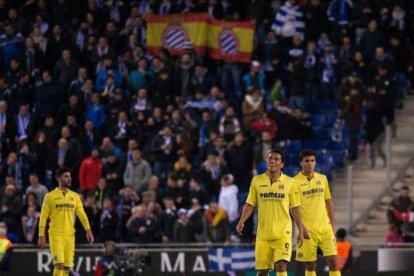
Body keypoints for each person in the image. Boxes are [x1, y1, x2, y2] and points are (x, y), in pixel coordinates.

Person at [236, 149, 305, 276]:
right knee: (262, 272)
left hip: (283, 232)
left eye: (276, 159)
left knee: (281, 265)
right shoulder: (257, 180)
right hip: (263, 233)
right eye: (269, 158)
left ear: (282, 164)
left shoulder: (290, 182)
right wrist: (241, 220)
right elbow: (250, 203)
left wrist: (301, 230)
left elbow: (295, 207)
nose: (272, 161)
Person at [38, 168, 94, 276]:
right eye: (66, 176)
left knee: (67, 267)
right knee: (59, 264)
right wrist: (41, 235)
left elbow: (82, 215)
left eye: (70, 176)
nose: (69, 179)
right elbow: (43, 217)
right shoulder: (50, 196)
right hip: (56, 234)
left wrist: (88, 230)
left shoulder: (75, 196)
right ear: (59, 178)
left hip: (70, 235)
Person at [294, 150, 340, 276]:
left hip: (325, 228)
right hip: (307, 230)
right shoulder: (294, 182)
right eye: (307, 161)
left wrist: (333, 226)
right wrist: (301, 228)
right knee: (310, 265)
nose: (310, 163)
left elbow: (329, 203)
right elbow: (293, 208)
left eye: (312, 161)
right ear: (301, 163)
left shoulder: (322, 178)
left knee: (334, 262)